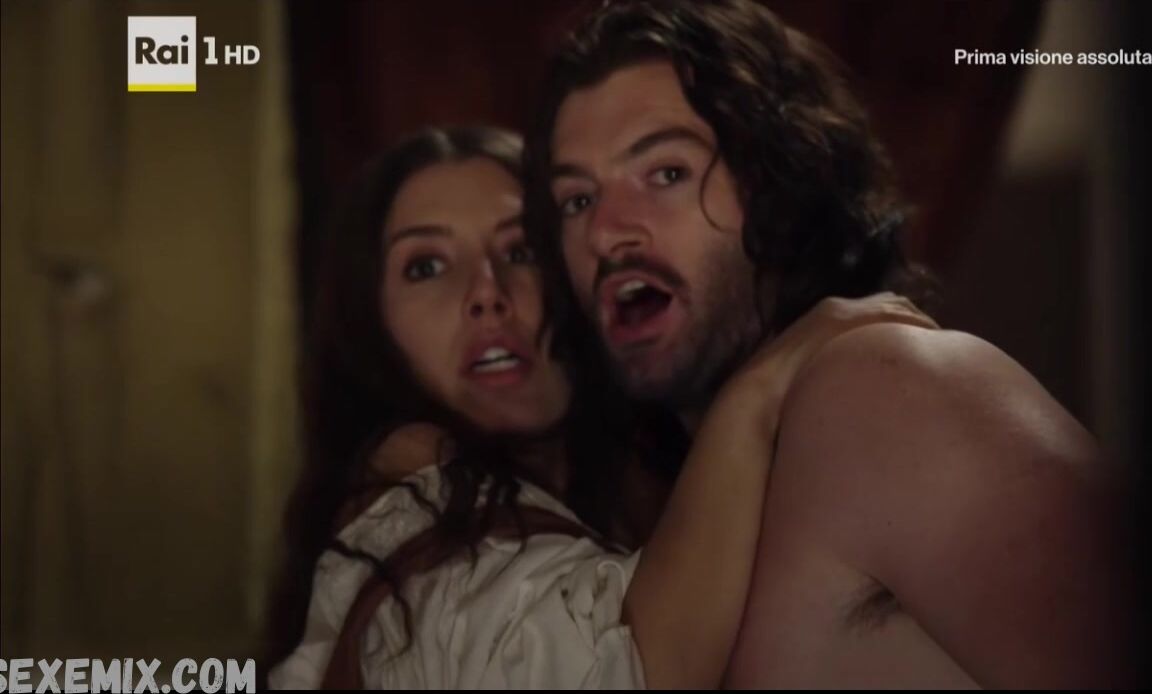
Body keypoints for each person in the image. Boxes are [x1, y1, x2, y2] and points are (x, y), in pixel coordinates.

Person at [525, 0, 1139, 688]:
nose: (607, 232)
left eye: (666, 173)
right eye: (577, 200)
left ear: (776, 188)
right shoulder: (670, 520)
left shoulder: (883, 389)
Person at [262, 125, 933, 689]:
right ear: (371, 326)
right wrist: (762, 389)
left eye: (521, 249)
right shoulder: (410, 480)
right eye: (426, 267)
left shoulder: (652, 487)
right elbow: (619, 673)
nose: (486, 292)